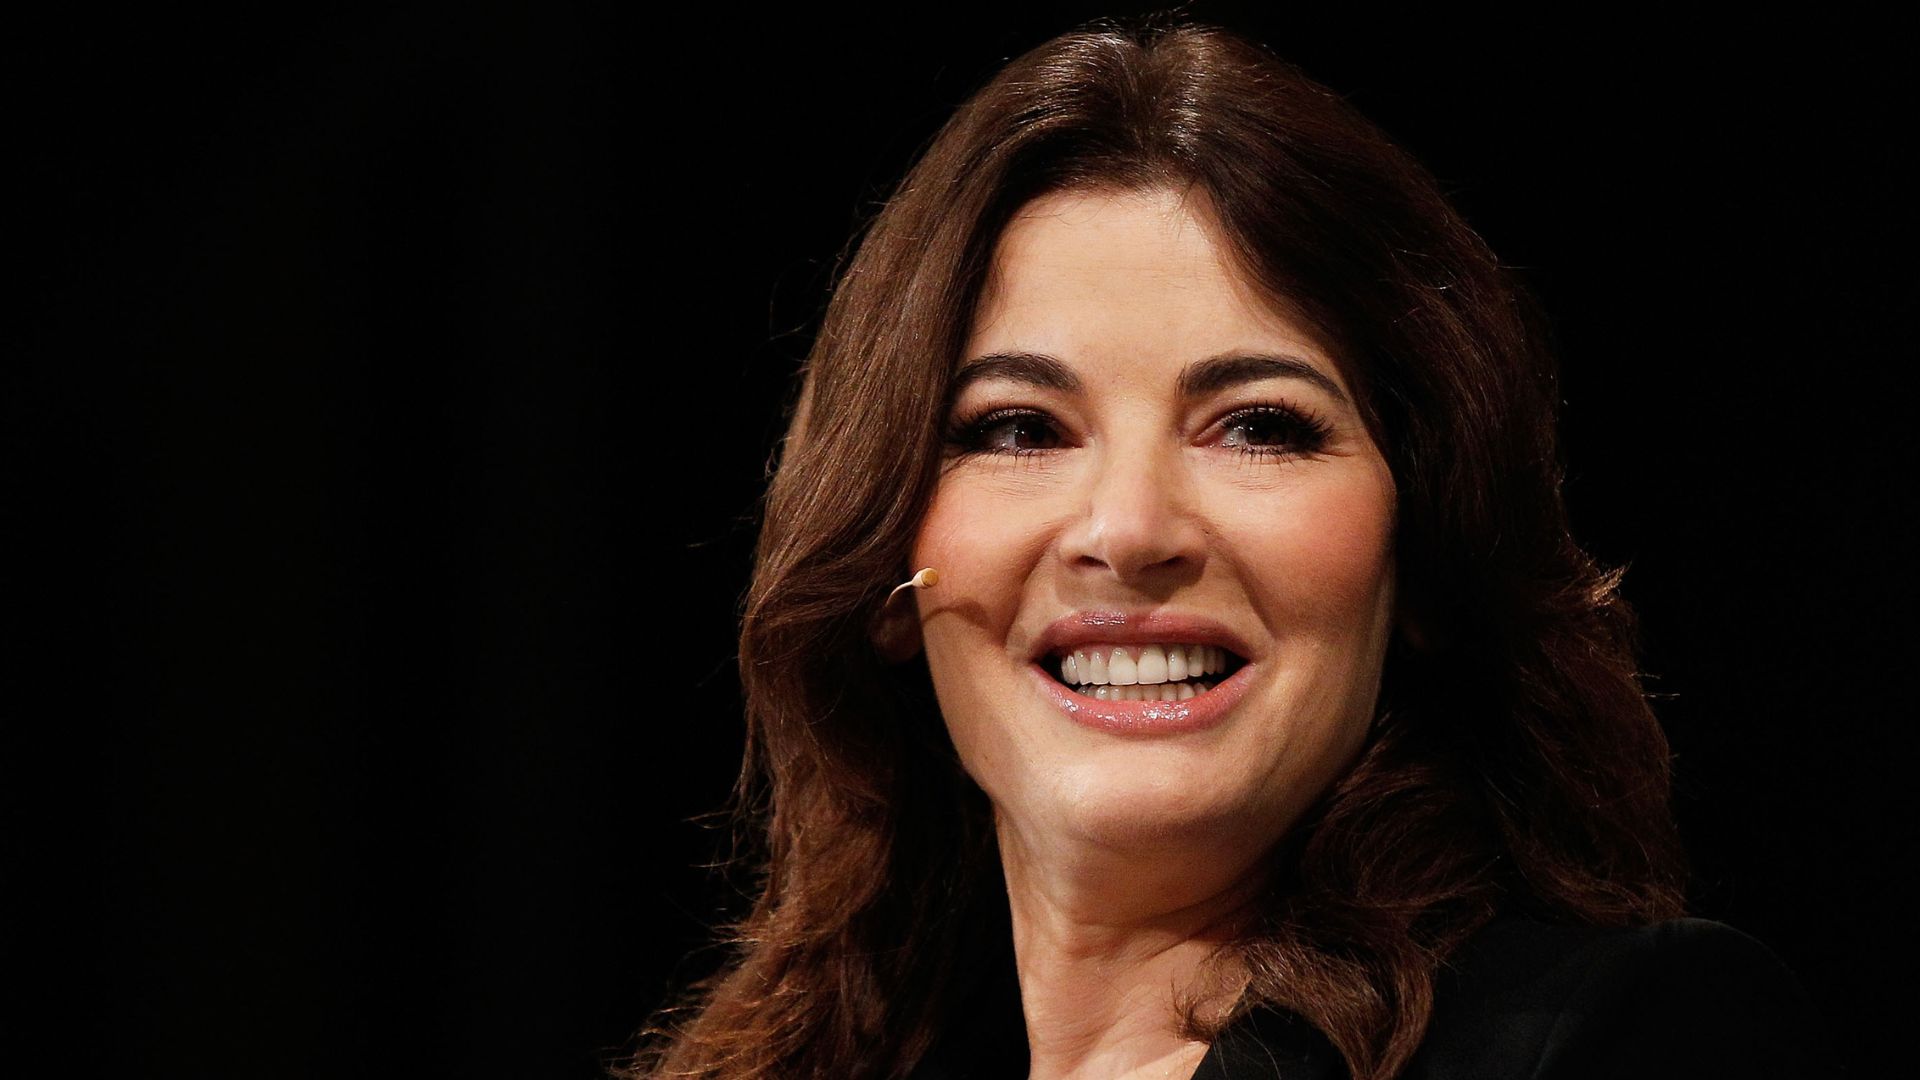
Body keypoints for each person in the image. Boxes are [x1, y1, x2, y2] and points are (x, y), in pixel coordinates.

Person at [635, 18, 1834, 1080]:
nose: (1128, 531)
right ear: (887, 565)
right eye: (1017, 428)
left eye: (1259, 426)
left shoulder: (1623, 1036)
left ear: (1424, 545)